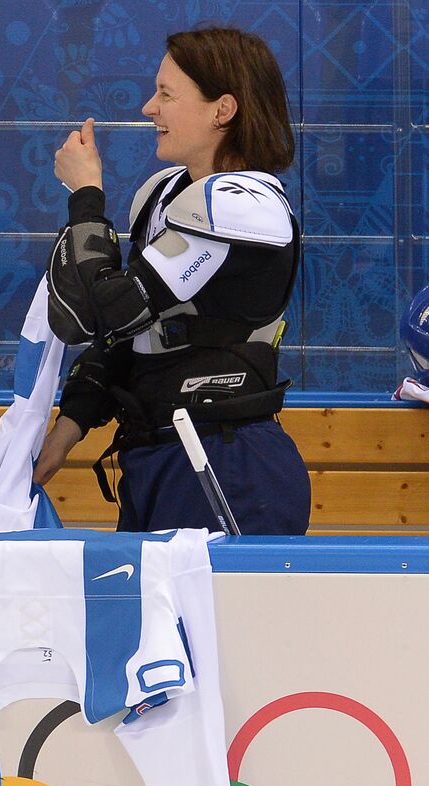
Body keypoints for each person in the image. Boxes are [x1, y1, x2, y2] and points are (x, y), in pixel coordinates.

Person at [34, 25, 311, 534]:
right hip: (159, 455)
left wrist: (87, 195)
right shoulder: (167, 193)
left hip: (225, 464)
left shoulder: (241, 205)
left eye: (166, 93)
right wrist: (67, 429)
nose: (149, 108)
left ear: (222, 110)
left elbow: (101, 311)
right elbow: (131, 336)